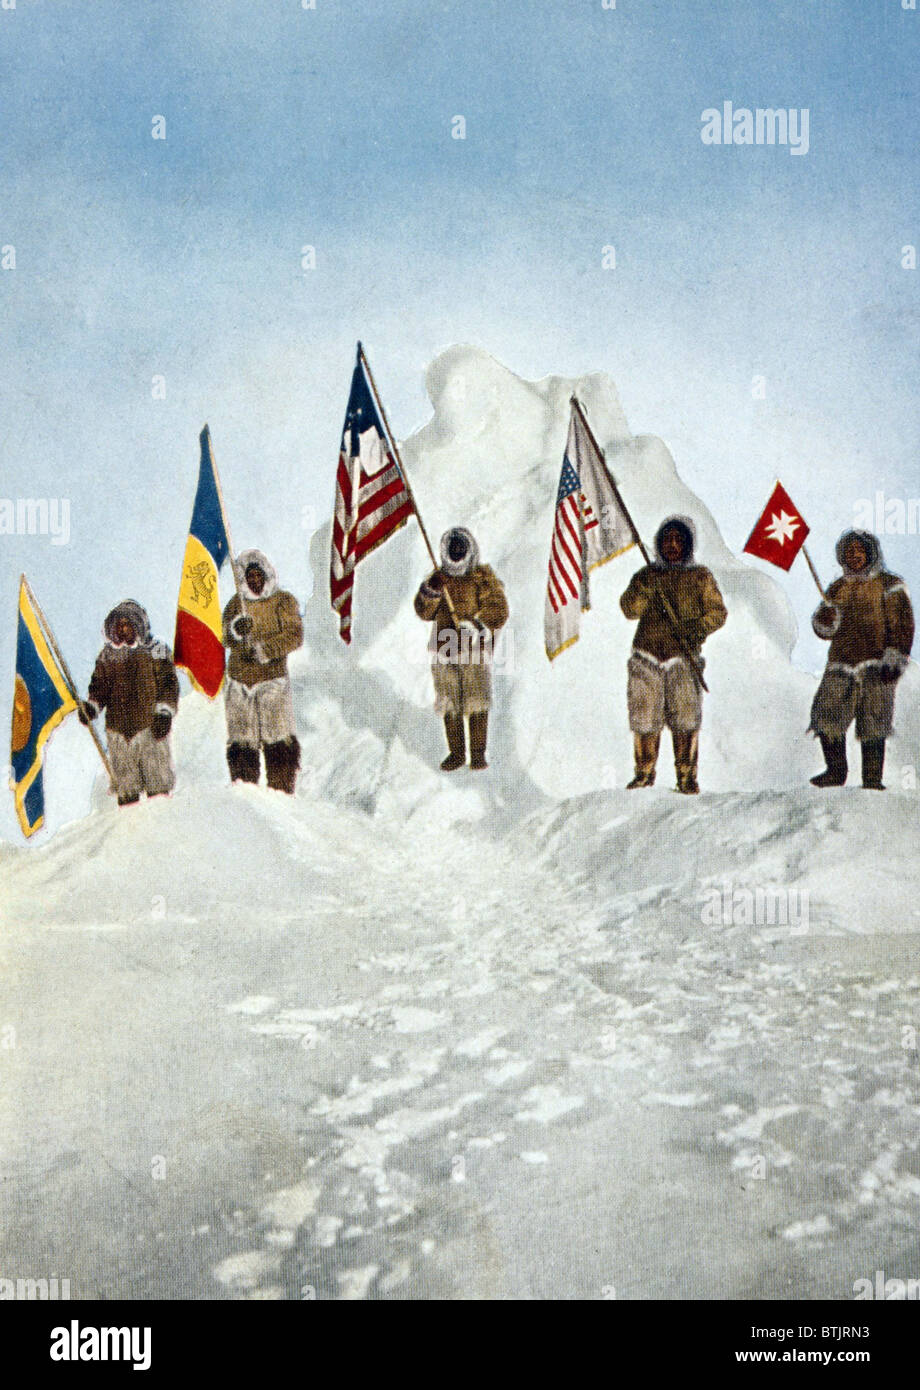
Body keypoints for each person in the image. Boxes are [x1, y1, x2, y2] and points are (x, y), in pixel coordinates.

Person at [619, 515, 727, 794]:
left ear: (688, 545)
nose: (673, 545)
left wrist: (696, 629)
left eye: (679, 540)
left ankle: (686, 776)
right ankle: (643, 773)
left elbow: (717, 612)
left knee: (686, 718)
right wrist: (645, 587)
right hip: (647, 656)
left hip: (683, 658)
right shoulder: (647, 575)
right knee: (644, 717)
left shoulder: (700, 577)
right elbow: (630, 609)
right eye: (667, 540)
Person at [809, 529, 914, 790]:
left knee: (874, 721)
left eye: (859, 550)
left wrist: (895, 656)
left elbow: (902, 624)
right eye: (848, 552)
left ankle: (872, 779)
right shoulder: (837, 588)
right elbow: (825, 627)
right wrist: (824, 621)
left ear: (870, 552)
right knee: (826, 713)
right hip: (841, 663)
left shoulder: (889, 584)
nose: (854, 556)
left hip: (877, 665)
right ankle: (835, 771)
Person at [414, 527, 509, 771]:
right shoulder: (438, 577)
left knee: (476, 701)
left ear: (469, 549)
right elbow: (424, 612)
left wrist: (477, 624)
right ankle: (456, 753)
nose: (456, 552)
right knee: (449, 702)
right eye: (453, 549)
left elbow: (499, 609)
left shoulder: (481, 577)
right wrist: (432, 590)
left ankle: (478, 753)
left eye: (460, 549)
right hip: (444, 649)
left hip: (474, 651)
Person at [80, 599, 179, 806]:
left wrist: (165, 713)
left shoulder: (156, 650)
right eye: (119, 625)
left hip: (150, 728)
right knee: (127, 791)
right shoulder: (108, 655)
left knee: (158, 789)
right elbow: (99, 687)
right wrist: (92, 707)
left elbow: (168, 684)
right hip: (119, 732)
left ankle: (164, 828)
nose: (123, 629)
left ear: (138, 624)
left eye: (128, 624)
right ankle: (129, 832)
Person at [222, 550, 303, 793]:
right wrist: (236, 630)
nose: (255, 581)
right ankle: (245, 792)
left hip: (272, 679)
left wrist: (266, 650)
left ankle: (281, 790)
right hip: (239, 680)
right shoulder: (237, 603)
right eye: (250, 577)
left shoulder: (283, 601)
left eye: (259, 576)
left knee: (278, 737)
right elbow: (225, 636)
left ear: (267, 576)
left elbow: (295, 635)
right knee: (242, 739)